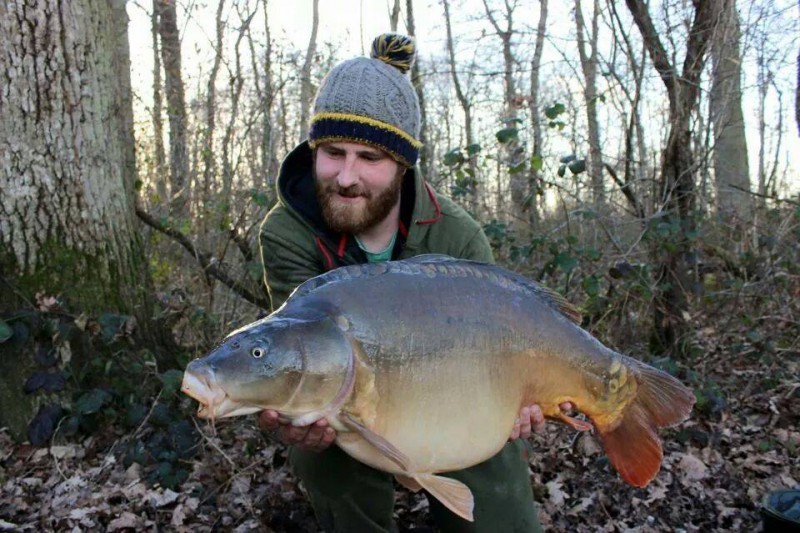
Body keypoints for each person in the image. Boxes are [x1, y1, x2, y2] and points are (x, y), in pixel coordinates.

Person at [258, 33, 567, 533]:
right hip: (352, 396)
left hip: (455, 390)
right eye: (333, 152)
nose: (346, 176)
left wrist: (521, 401)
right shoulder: (286, 232)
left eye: (370, 158)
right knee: (325, 442)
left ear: (402, 165)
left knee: (498, 480)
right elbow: (299, 351)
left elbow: (506, 344)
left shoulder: (457, 235)